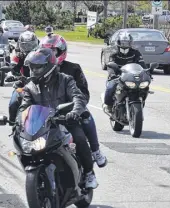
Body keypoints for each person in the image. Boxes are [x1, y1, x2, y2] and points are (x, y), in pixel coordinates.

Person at [18, 48, 98, 189]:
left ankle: (89, 173)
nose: (33, 71)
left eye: (37, 67)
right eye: (31, 68)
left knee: (79, 138)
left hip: (65, 120)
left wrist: (74, 112)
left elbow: (78, 97)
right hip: (43, 124)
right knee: (23, 145)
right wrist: (19, 121)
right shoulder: (30, 87)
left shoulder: (65, 80)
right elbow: (24, 107)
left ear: (48, 66)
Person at [40, 34, 107, 168]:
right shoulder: (39, 69)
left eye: (53, 51)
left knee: (85, 124)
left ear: (61, 51)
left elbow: (83, 92)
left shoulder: (73, 68)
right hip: (46, 112)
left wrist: (75, 107)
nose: (50, 55)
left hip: (70, 111)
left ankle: (95, 153)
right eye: (46, 51)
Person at [103, 32, 146, 113]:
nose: (124, 44)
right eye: (122, 42)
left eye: (127, 42)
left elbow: (142, 64)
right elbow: (110, 65)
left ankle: (140, 102)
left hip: (131, 77)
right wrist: (112, 74)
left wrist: (147, 73)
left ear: (130, 43)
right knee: (110, 87)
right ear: (118, 42)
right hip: (117, 76)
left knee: (144, 88)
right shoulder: (114, 54)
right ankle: (109, 105)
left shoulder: (135, 53)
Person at [7, 31, 39, 122]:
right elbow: (12, 66)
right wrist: (11, 74)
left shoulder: (41, 55)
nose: (28, 48)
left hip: (40, 85)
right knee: (13, 103)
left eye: (31, 45)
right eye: (25, 45)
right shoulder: (18, 56)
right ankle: (13, 122)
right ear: (20, 45)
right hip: (22, 85)